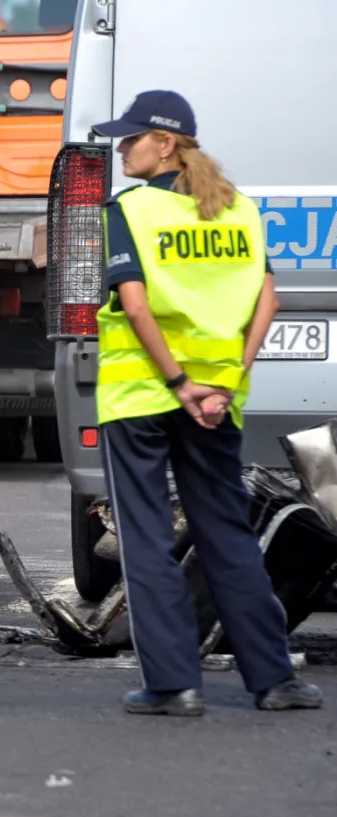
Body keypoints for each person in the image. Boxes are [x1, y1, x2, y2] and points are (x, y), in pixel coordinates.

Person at [91, 90, 322, 716]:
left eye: (131, 137)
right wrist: (221, 385)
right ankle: (275, 681)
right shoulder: (240, 211)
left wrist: (176, 382)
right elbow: (266, 302)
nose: (120, 148)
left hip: (144, 394)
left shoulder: (130, 212)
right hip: (218, 402)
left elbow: (135, 306)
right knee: (229, 537)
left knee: (145, 539)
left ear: (165, 143)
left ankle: (173, 685)